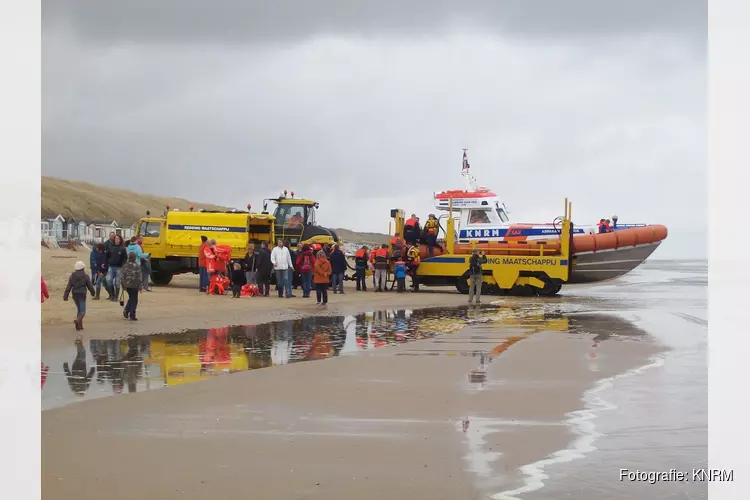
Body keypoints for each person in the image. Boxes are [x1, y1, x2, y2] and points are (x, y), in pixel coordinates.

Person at [63, 260, 95, 331]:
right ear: (83, 268)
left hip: (74, 294)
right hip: (82, 294)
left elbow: (69, 286)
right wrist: (93, 292)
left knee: (79, 309)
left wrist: (66, 295)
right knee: (83, 311)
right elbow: (90, 286)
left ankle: (80, 326)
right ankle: (77, 321)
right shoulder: (85, 276)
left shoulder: (72, 276)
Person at [120, 252, 143, 320]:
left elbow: (122, 277)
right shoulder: (137, 266)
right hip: (134, 285)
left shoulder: (125, 265)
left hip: (127, 285)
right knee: (134, 300)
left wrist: (123, 285)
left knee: (131, 298)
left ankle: (126, 311)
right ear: (135, 258)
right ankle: (132, 314)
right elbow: (139, 277)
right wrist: (140, 286)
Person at [105, 234, 127, 302]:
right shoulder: (111, 247)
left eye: (118, 238)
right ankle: (112, 295)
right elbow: (107, 256)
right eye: (115, 238)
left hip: (119, 267)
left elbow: (125, 258)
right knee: (109, 280)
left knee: (117, 282)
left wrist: (122, 265)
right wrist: (107, 262)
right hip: (111, 266)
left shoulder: (123, 248)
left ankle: (116, 297)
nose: (116, 240)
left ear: (120, 240)